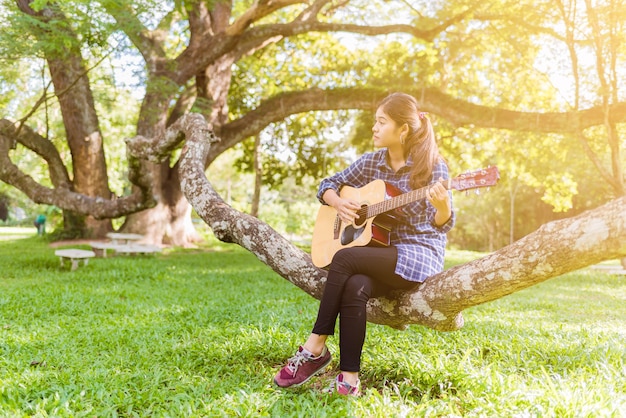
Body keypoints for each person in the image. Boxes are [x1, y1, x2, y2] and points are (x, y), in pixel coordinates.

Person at [273, 92, 456, 396]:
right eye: (375, 121)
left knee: (345, 259)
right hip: (378, 253)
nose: (374, 127)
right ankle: (349, 380)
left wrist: (443, 206)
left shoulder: (434, 167)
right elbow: (326, 185)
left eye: (381, 122)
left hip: (418, 253)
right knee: (355, 283)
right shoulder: (372, 163)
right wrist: (340, 203)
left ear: (403, 130)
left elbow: (443, 224)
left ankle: (314, 347)